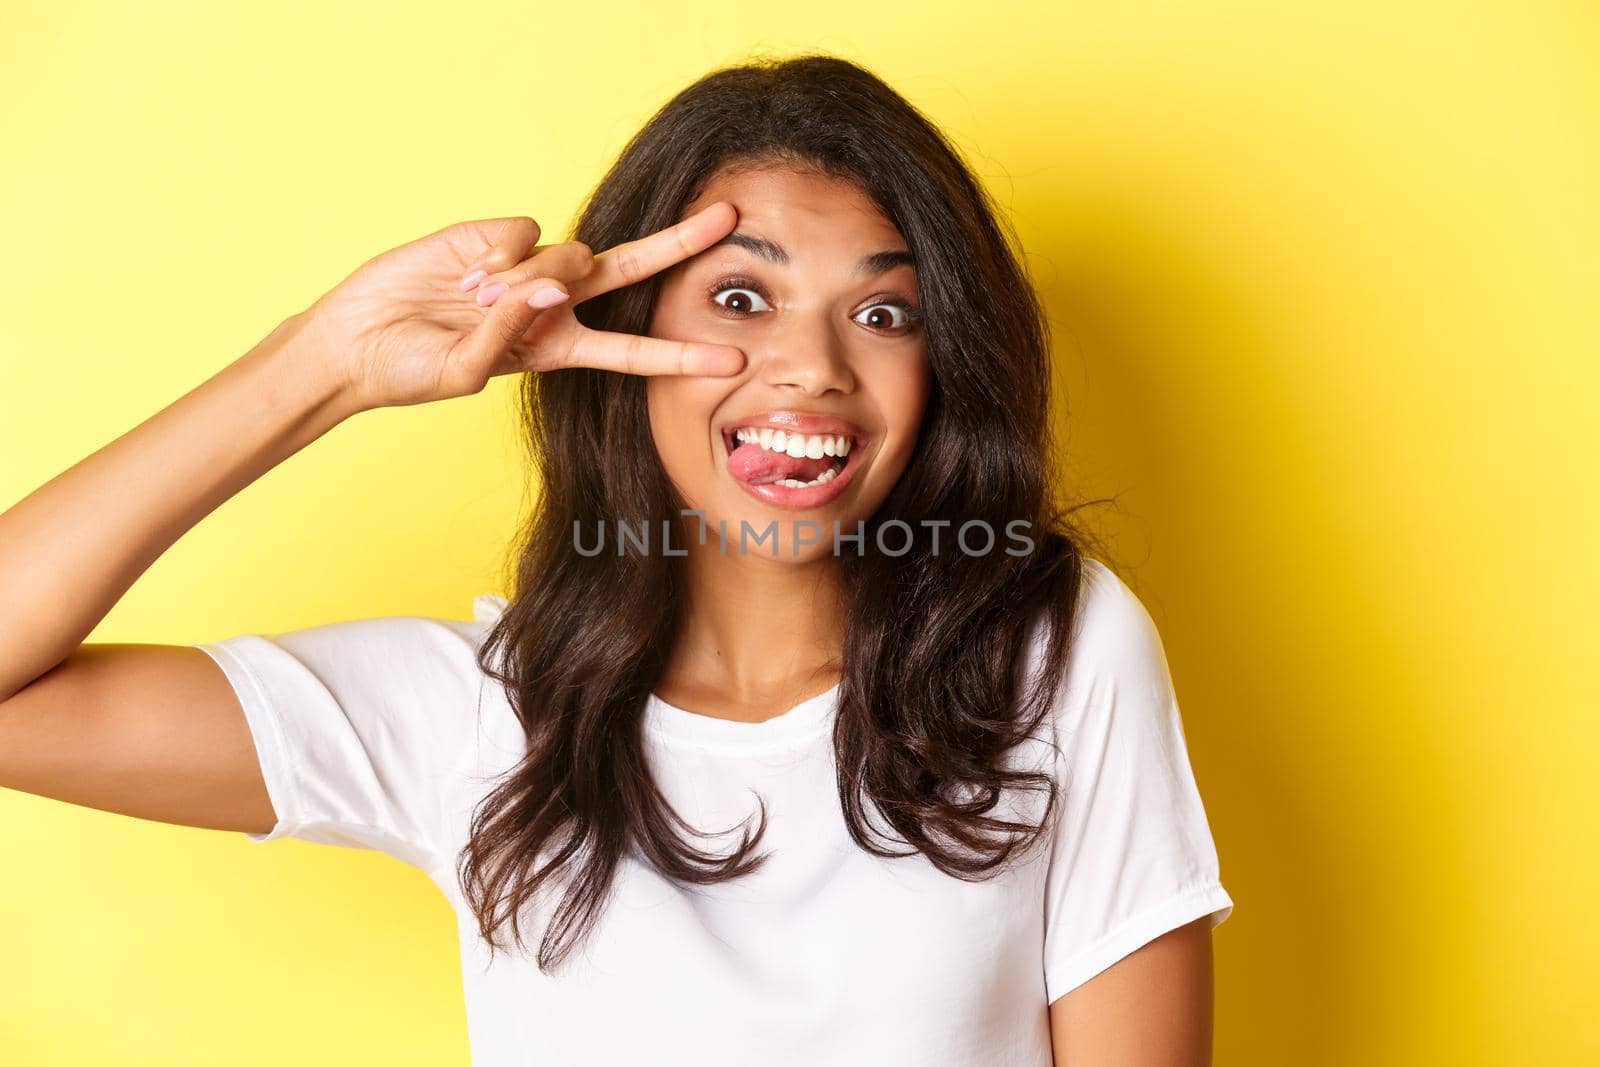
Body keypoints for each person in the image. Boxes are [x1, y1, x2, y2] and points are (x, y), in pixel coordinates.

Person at [0, 53, 1233, 1066]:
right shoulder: (481, 717)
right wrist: (324, 365)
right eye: (741, 300)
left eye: (881, 311)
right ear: (620, 342)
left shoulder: (1050, 650)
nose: (812, 365)